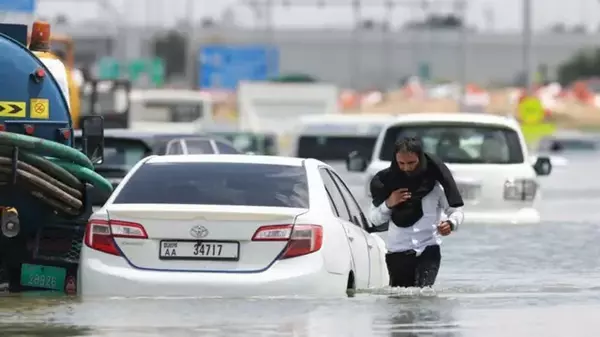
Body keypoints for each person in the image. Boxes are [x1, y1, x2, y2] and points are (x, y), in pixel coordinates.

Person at [368, 137, 465, 288]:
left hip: (428, 249)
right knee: (400, 301)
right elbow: (374, 220)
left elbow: (456, 210)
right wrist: (389, 203)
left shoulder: (434, 187)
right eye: (401, 163)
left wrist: (451, 224)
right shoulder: (386, 184)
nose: (406, 168)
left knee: (424, 295)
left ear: (420, 159)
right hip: (397, 252)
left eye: (411, 163)